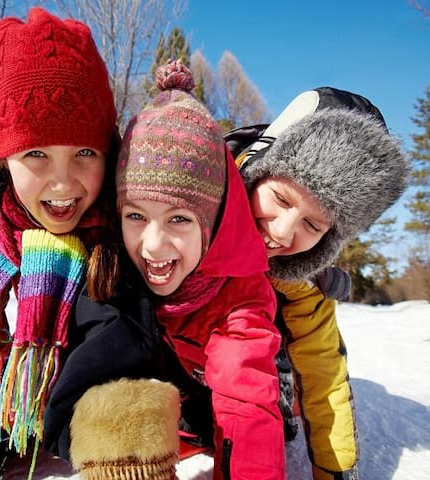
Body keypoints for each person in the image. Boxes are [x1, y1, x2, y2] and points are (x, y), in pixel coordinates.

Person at [43, 60, 285, 480]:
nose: (153, 245)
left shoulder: (237, 293)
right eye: (136, 216)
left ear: (210, 226)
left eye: (179, 219)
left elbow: (247, 402)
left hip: (210, 404)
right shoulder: (113, 264)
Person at [0, 7, 118, 480]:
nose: (63, 184)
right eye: (36, 153)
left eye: (85, 152)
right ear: (0, 158)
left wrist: (1, 415)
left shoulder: (126, 217)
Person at [225, 86, 409, 480]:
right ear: (257, 170)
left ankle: (278, 393)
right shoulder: (192, 214)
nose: (282, 232)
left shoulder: (302, 282)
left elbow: (325, 376)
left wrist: (336, 471)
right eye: (282, 199)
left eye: (312, 224)